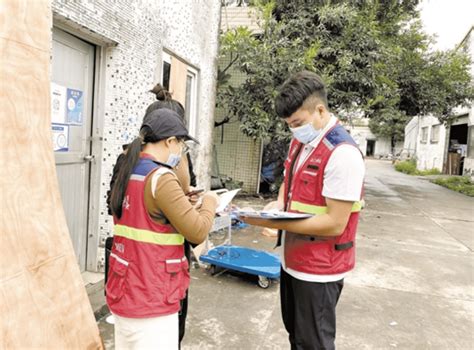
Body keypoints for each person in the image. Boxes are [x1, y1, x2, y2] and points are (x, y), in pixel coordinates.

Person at [241, 71, 365, 350]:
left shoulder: (342, 154)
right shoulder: (301, 141)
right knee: (296, 337)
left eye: (297, 122)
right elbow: (290, 179)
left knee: (314, 343)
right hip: (293, 261)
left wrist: (281, 224)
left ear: (320, 110)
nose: (293, 130)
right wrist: (277, 207)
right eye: (288, 124)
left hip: (319, 270)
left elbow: (335, 223)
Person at [107, 108, 219, 349]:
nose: (180, 152)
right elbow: (198, 231)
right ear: (170, 141)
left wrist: (180, 203)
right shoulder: (161, 177)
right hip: (152, 297)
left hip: (125, 292)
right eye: (181, 145)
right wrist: (210, 202)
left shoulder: (128, 169)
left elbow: (147, 215)